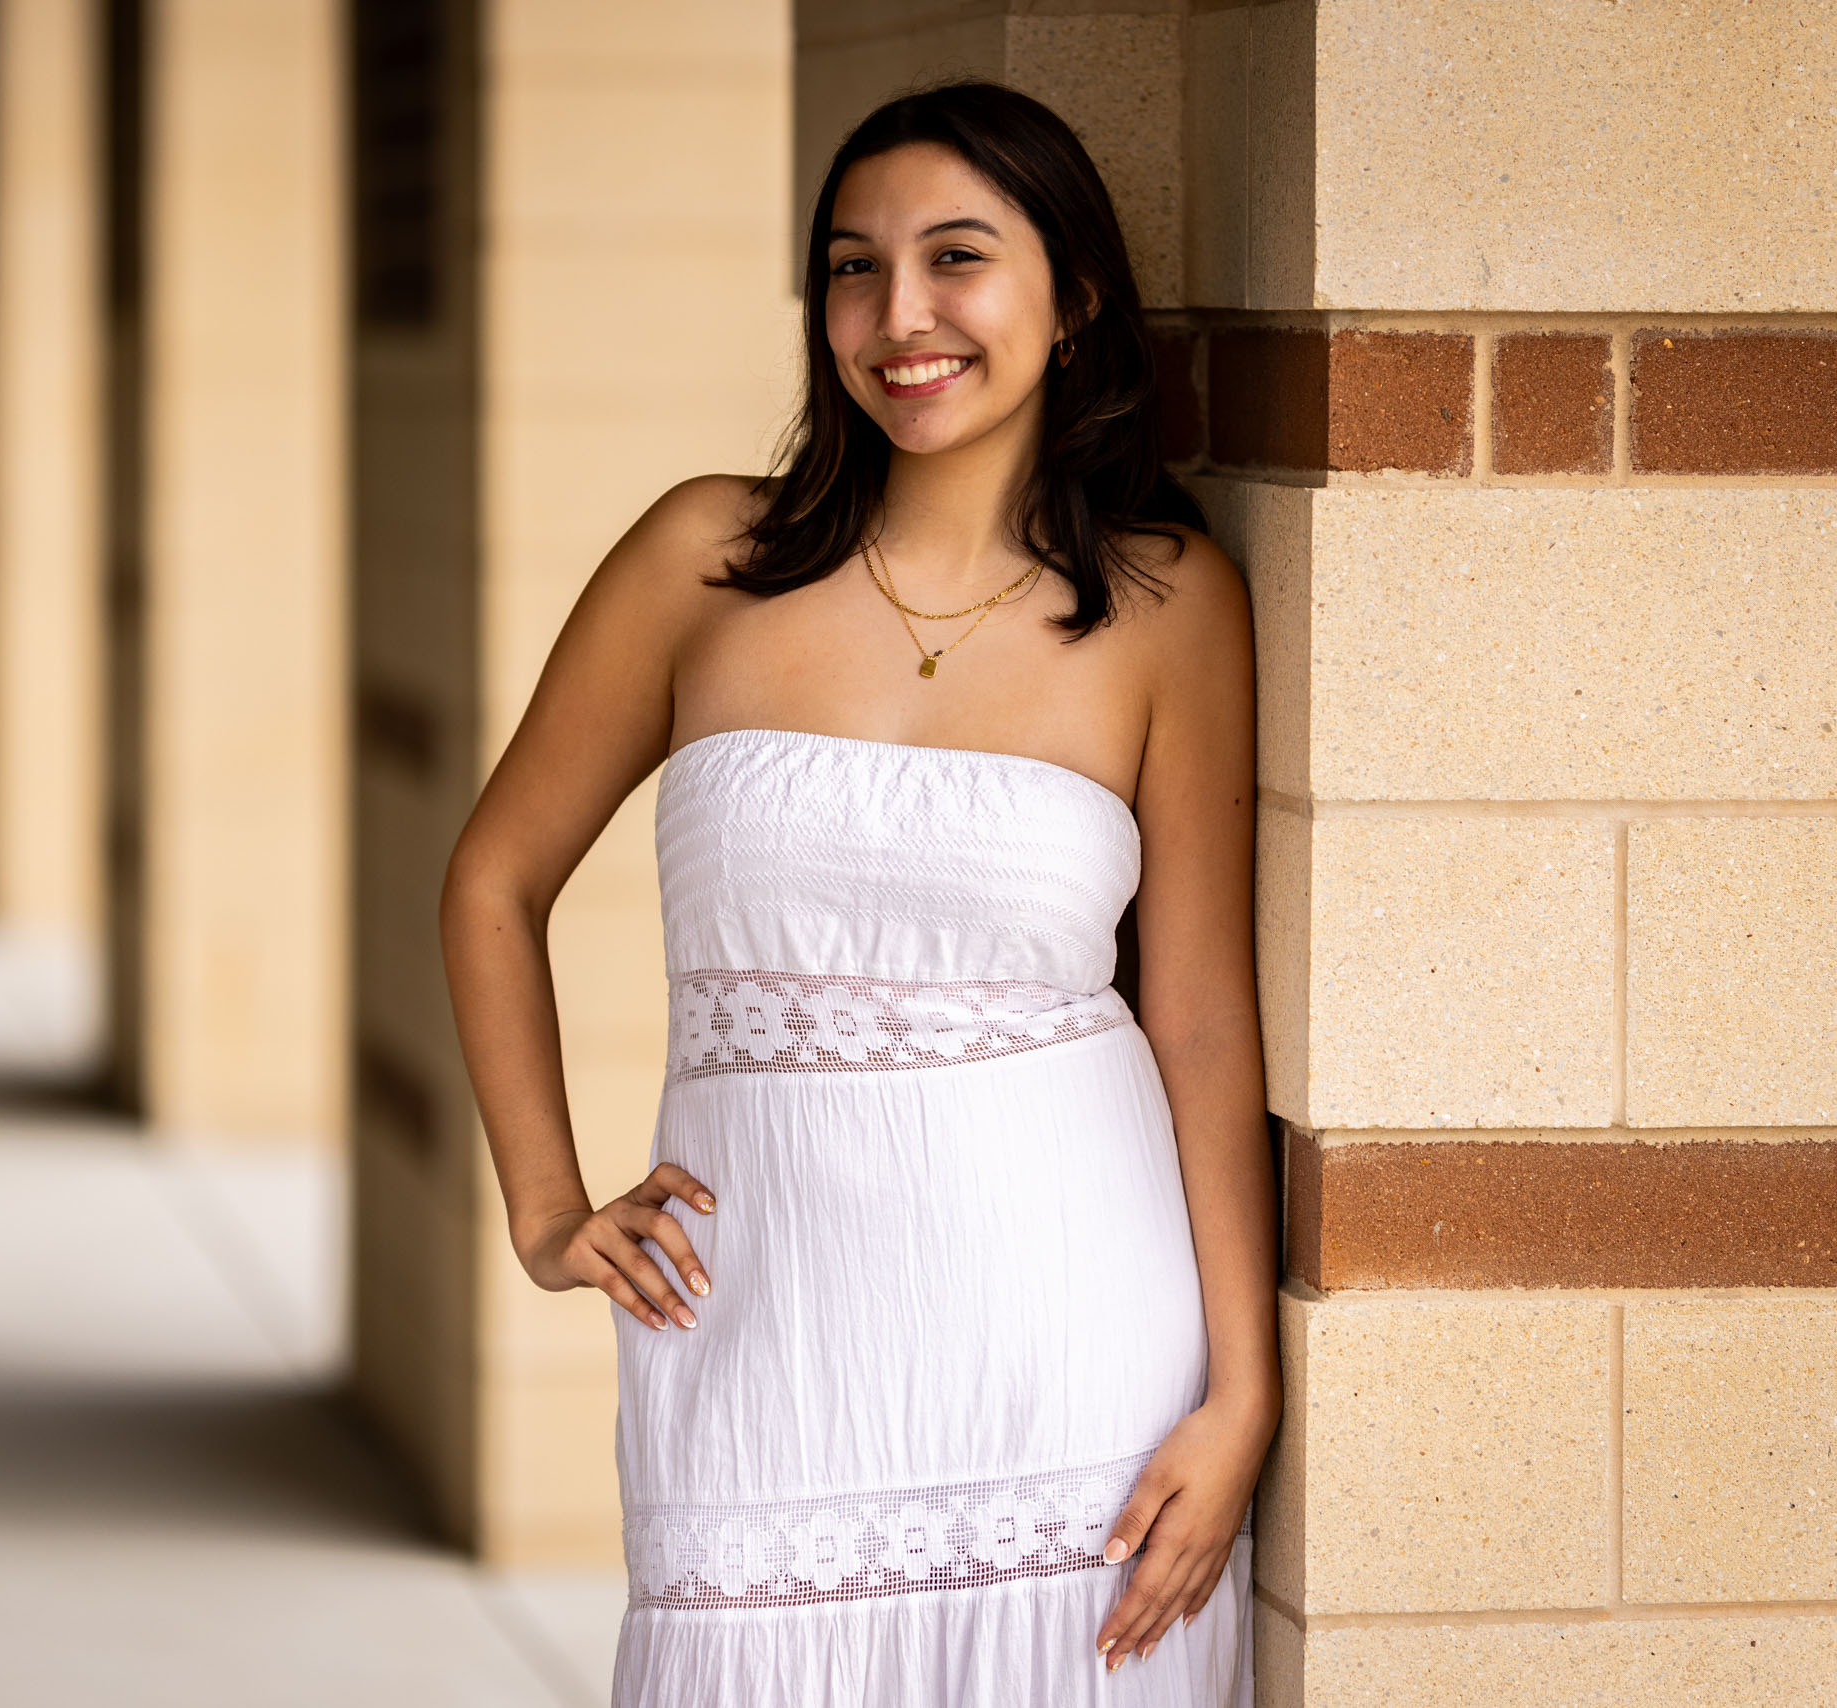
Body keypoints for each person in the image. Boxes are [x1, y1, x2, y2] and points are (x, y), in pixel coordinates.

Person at [440, 80, 1276, 1707]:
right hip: (763, 1344)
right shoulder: (704, 558)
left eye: (958, 258)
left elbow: (1200, 1013)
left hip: (1076, 1343)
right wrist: (544, 1209)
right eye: (852, 267)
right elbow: (493, 876)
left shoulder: (1172, 605)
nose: (901, 317)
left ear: (1075, 292)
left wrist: (1240, 1392)